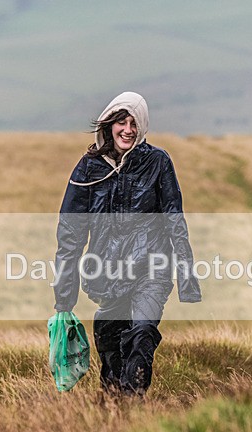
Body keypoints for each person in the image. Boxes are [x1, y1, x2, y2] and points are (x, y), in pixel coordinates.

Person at [53, 91, 201, 395]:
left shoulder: (158, 163)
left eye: (135, 123)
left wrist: (187, 276)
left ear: (143, 126)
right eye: (121, 121)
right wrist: (64, 297)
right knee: (110, 345)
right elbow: (70, 233)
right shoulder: (88, 168)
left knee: (142, 330)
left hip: (152, 269)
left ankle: (134, 401)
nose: (128, 130)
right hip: (106, 274)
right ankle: (114, 406)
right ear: (109, 124)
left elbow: (175, 220)